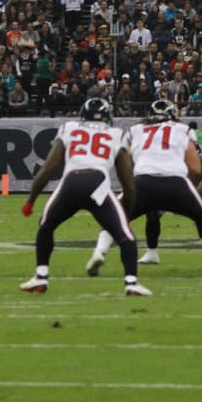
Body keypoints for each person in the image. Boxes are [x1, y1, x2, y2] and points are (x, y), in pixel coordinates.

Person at [85, 99, 202, 278]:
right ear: (173, 115)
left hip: (143, 181)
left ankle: (100, 252)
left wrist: (130, 185)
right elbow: (195, 168)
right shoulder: (183, 130)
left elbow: (124, 162)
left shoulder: (136, 130)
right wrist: (188, 191)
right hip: (176, 182)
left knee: (115, 216)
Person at [20, 97, 147, 296]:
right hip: (98, 185)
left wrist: (30, 200)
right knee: (125, 235)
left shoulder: (70, 128)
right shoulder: (116, 134)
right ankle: (131, 282)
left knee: (46, 226)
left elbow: (48, 168)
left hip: (71, 182)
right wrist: (126, 214)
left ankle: (41, 277)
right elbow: (129, 185)